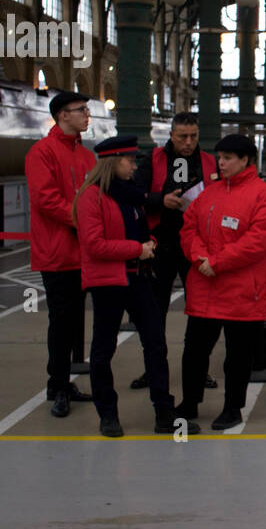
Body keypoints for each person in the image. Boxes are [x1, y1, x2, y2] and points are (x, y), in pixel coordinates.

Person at [73, 135, 201, 438]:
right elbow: (94, 245)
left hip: (139, 276)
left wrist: (150, 243)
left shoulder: (129, 194)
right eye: (130, 161)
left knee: (156, 343)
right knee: (103, 350)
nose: (134, 166)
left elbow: (143, 229)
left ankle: (164, 412)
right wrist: (137, 249)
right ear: (113, 162)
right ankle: (108, 415)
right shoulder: (92, 196)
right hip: (109, 282)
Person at [175, 134, 266, 430]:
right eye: (219, 157)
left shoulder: (264, 196)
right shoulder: (210, 193)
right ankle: (189, 403)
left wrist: (216, 263)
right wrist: (199, 258)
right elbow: (188, 228)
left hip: (242, 293)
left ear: (246, 160)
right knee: (194, 352)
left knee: (238, 356)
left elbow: (258, 242)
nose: (220, 163)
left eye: (227, 158)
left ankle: (233, 407)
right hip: (205, 289)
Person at [130, 111, 218, 391]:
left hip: (196, 247)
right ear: (171, 135)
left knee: (201, 312)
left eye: (193, 136)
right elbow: (134, 195)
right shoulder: (153, 160)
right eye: (183, 137)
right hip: (160, 246)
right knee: (155, 312)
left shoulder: (208, 162)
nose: (189, 142)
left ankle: (198, 369)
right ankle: (153, 368)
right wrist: (159, 200)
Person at [25, 90, 97, 418]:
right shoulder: (41, 152)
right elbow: (45, 198)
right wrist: (82, 220)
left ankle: (61, 383)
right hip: (57, 251)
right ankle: (57, 384)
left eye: (86, 109)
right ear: (62, 115)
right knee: (61, 320)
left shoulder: (86, 156)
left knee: (70, 320)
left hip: (82, 250)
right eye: (80, 110)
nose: (86, 114)